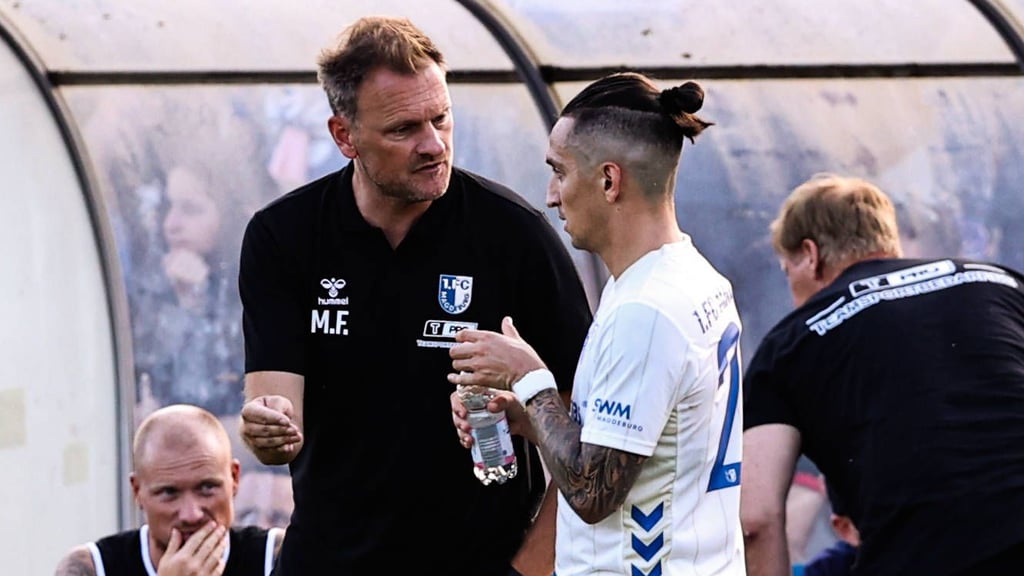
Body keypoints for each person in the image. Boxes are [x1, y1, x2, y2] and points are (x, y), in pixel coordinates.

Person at [235, 15, 592, 576]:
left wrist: (529, 569)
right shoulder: (284, 237)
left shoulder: (514, 236)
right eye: (403, 129)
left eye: (442, 118)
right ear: (343, 135)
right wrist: (265, 426)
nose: (433, 145)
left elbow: (587, 432)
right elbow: (277, 422)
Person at [448, 72, 747, 575]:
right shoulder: (690, 277)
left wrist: (531, 380)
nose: (550, 195)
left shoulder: (645, 311)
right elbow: (650, 441)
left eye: (559, 172)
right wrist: (531, 421)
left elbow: (593, 492)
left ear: (609, 180)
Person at [740, 174, 1024, 576]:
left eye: (788, 272)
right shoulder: (1002, 283)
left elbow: (756, 519)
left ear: (810, 254)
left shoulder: (788, 345)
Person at [54, 404, 284, 576]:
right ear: (137, 492)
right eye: (169, 493)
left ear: (234, 478)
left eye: (207, 488)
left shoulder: (275, 558)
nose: (191, 513)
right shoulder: (92, 567)